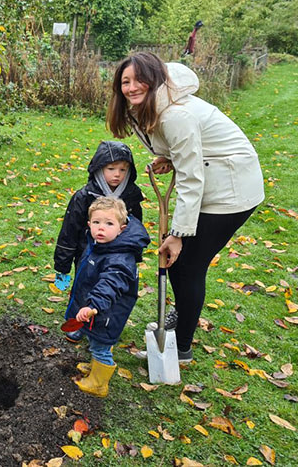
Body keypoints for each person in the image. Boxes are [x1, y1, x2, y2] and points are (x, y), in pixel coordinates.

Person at [107, 51, 264, 363]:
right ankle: (181, 323)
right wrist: (169, 157)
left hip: (230, 192)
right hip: (214, 180)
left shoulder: (176, 114)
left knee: (187, 265)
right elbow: (190, 150)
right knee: (180, 265)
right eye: (125, 81)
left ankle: (180, 348)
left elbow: (192, 179)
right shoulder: (154, 105)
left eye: (139, 80)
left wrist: (178, 233)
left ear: (154, 80)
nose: (132, 87)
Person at [53, 140, 144, 342]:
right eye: (111, 168)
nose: (117, 174)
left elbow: (135, 227)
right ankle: (76, 323)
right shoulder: (84, 196)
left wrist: (135, 254)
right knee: (84, 287)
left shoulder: (131, 196)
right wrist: (63, 265)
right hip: (88, 252)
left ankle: (102, 326)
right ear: (99, 168)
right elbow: (69, 230)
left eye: (123, 169)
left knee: (109, 288)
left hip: (117, 255)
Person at [65, 197, 150, 398]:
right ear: (89, 224)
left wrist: (94, 305)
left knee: (101, 345)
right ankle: (96, 367)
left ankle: (98, 383)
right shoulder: (100, 244)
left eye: (109, 224)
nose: (101, 228)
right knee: (96, 341)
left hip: (105, 311)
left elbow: (110, 285)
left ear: (121, 228)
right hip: (95, 308)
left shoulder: (119, 257)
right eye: (96, 223)